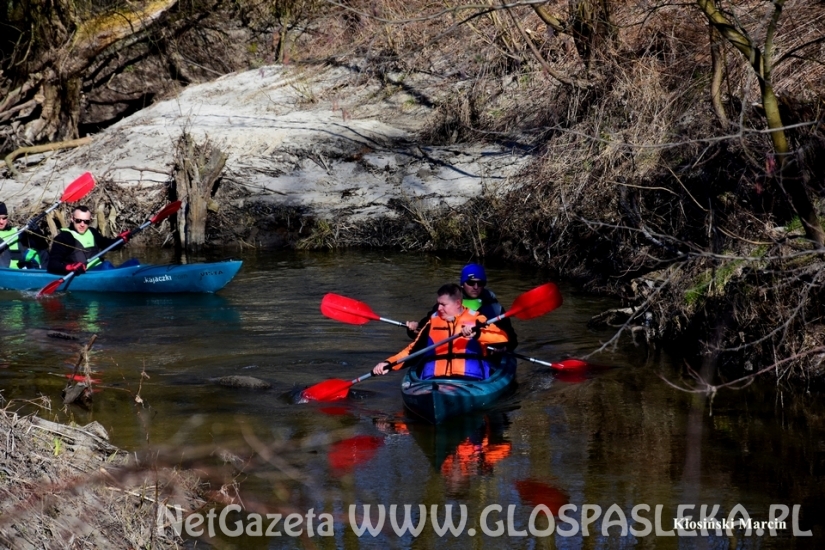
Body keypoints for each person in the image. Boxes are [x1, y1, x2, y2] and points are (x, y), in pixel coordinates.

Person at [373, 283, 509, 380]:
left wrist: (478, 334)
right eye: (438, 303)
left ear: (457, 303)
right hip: (434, 381)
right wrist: (388, 364)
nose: (439, 308)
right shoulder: (432, 322)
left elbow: (502, 338)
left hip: (470, 381)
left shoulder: (477, 319)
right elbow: (411, 351)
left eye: (443, 304)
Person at [406, 263, 518, 351]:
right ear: (462, 284)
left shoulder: (494, 308)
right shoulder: (446, 304)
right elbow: (423, 332)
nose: (475, 287)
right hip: (448, 351)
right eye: (471, 282)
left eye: (480, 283)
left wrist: (505, 348)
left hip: (481, 355)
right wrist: (413, 330)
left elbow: (512, 339)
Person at [47, 206, 130, 275]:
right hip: (84, 273)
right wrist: (70, 267)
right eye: (78, 221)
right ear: (72, 219)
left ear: (90, 221)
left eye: (86, 222)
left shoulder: (92, 232)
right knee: (107, 265)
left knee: (133, 263)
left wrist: (121, 240)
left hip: (101, 270)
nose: (82, 224)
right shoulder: (64, 237)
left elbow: (108, 245)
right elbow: (52, 264)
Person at [0, 202, 47, 269]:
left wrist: (37, 231)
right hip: (4, 272)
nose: (1, 222)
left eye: (4, 218)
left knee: (43, 251)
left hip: (21, 272)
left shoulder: (18, 232)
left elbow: (42, 246)